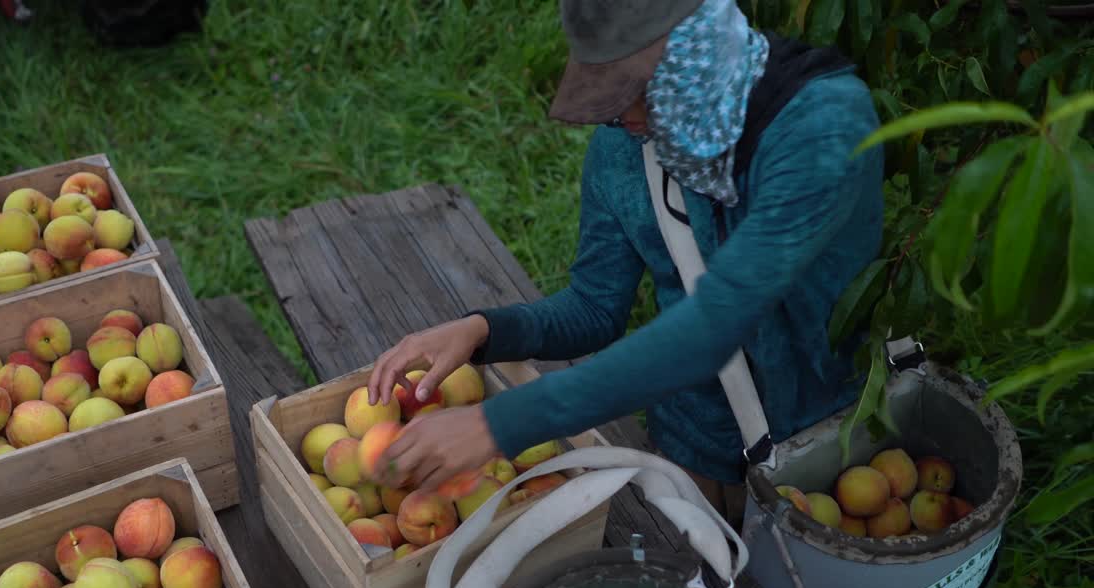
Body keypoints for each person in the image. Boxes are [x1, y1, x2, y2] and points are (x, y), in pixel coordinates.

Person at [366, 0, 884, 524]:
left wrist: (498, 424)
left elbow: (714, 326)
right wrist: (483, 331)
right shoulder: (627, 146)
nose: (628, 119)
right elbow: (595, 306)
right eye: (614, 102)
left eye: (641, 92)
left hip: (824, 449)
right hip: (692, 446)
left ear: (695, 53)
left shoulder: (823, 129)